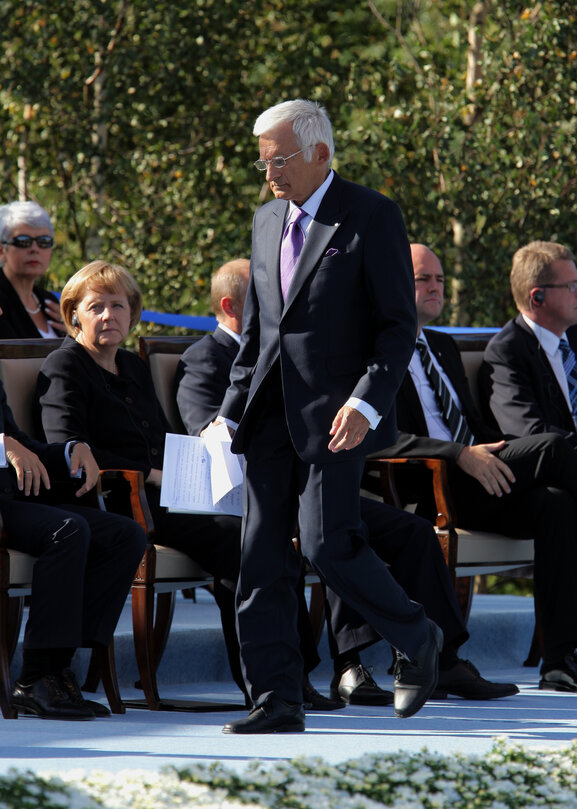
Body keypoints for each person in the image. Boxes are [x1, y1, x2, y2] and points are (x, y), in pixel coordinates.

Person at [177, 258, 518, 704]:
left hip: (312, 484)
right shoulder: (206, 358)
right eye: (270, 297)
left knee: (409, 532)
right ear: (232, 305)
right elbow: (208, 429)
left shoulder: (289, 355)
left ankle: (443, 660)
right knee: (320, 535)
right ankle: (338, 668)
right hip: (255, 496)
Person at [210, 99, 443, 734]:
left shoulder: (371, 215)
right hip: (266, 421)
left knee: (324, 544)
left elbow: (397, 329)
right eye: (262, 162)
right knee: (259, 561)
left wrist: (367, 401)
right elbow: (258, 337)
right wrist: (227, 416)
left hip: (340, 419)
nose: (269, 175)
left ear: (319, 153)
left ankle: (416, 634)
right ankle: (277, 700)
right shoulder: (264, 221)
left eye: (278, 159)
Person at [35, 259, 340, 712]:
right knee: (239, 545)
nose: (108, 316)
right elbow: (68, 448)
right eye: (95, 307)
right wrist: (153, 474)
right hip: (119, 501)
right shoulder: (65, 365)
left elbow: (159, 438)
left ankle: (293, 672)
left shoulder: (132, 368)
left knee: (270, 534)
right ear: (73, 314)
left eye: (118, 306)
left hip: (172, 494)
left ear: (132, 313)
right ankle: (265, 684)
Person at [382, 242, 577, 693]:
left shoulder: (444, 347)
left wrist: (487, 451)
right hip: (434, 480)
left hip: (482, 472)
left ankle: (560, 662)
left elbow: (478, 421)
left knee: (557, 503)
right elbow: (380, 434)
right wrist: (458, 454)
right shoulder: (376, 349)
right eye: (423, 279)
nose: (436, 287)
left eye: (440, 279)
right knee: (551, 447)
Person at [0, 375, 146, 720]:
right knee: (68, 530)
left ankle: (57, 668)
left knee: (124, 535)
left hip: (12, 501)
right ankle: (35, 676)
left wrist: (72, 450)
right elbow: (9, 444)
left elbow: (19, 442)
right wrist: (3, 445)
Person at [479, 241, 577, 444]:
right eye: (571, 286)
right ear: (537, 297)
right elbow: (530, 432)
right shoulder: (506, 352)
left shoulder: (573, 336)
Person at [0, 201, 66, 339]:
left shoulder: (52, 302)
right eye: (24, 241)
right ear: (2, 251)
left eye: (44, 241)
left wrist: (74, 334)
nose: (34, 249)